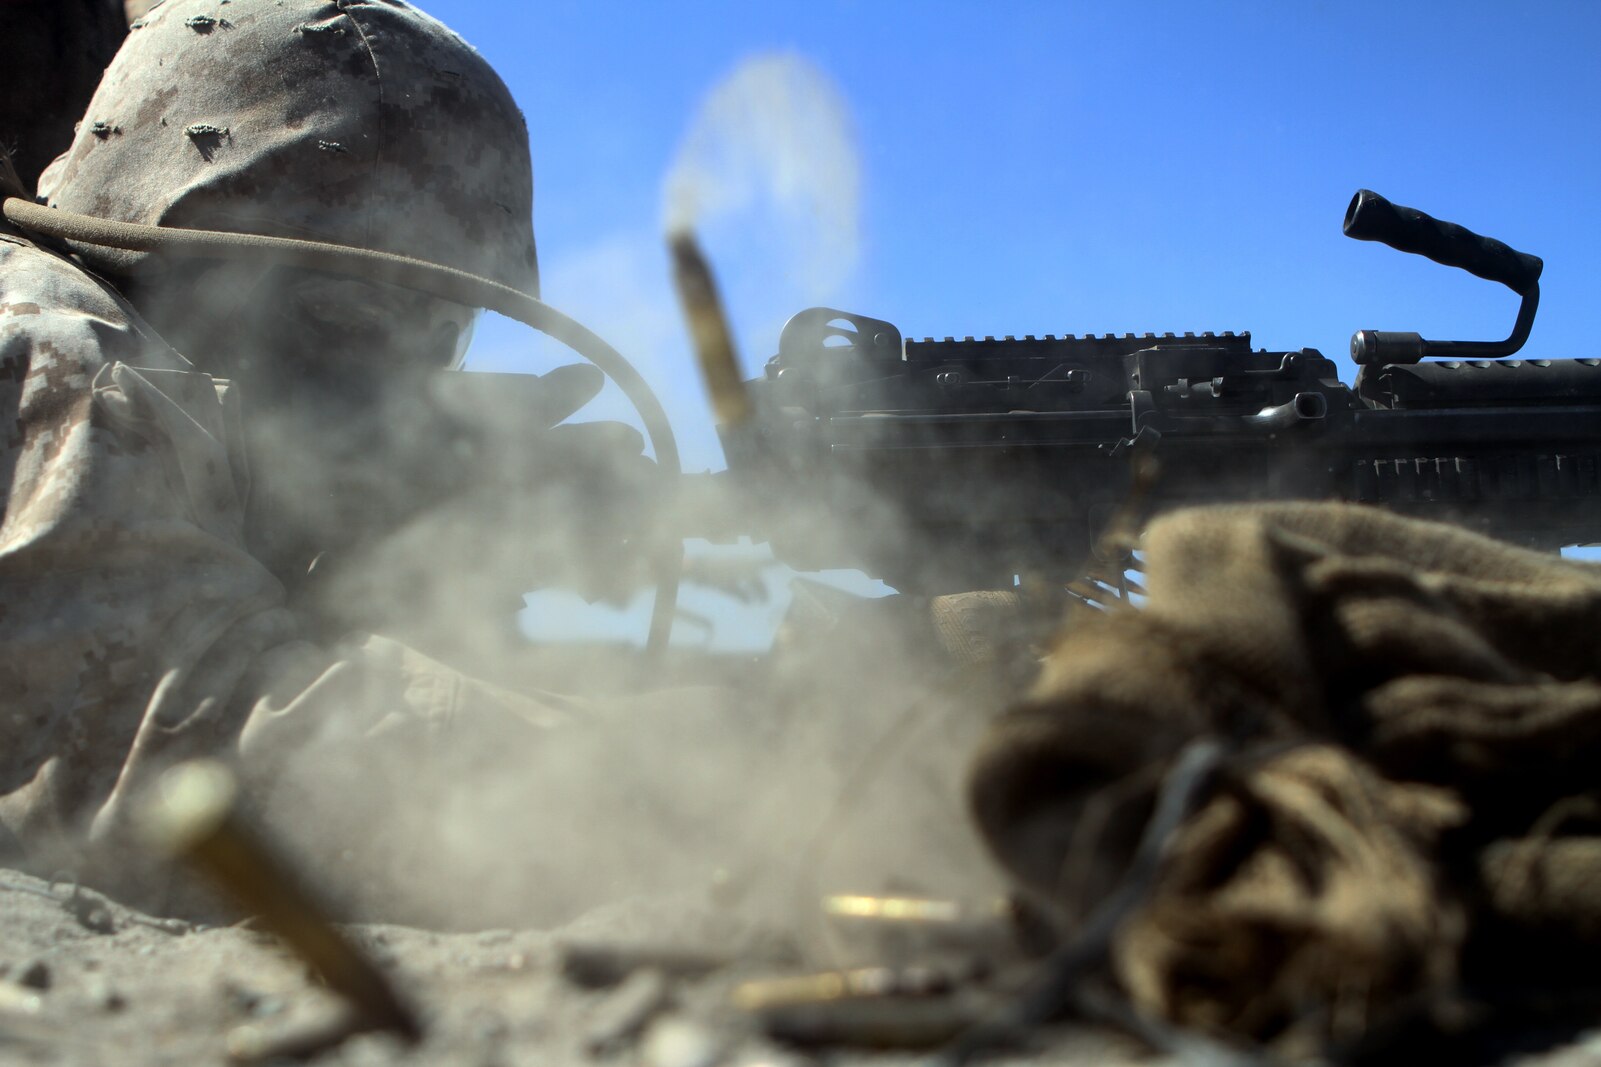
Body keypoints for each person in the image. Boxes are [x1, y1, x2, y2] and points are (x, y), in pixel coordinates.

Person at [0, 0, 718, 924]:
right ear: (173, 242)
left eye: (441, 342)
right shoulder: (49, 338)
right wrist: (755, 765)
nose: (399, 384)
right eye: (348, 320)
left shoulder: (170, 377)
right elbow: (168, 757)